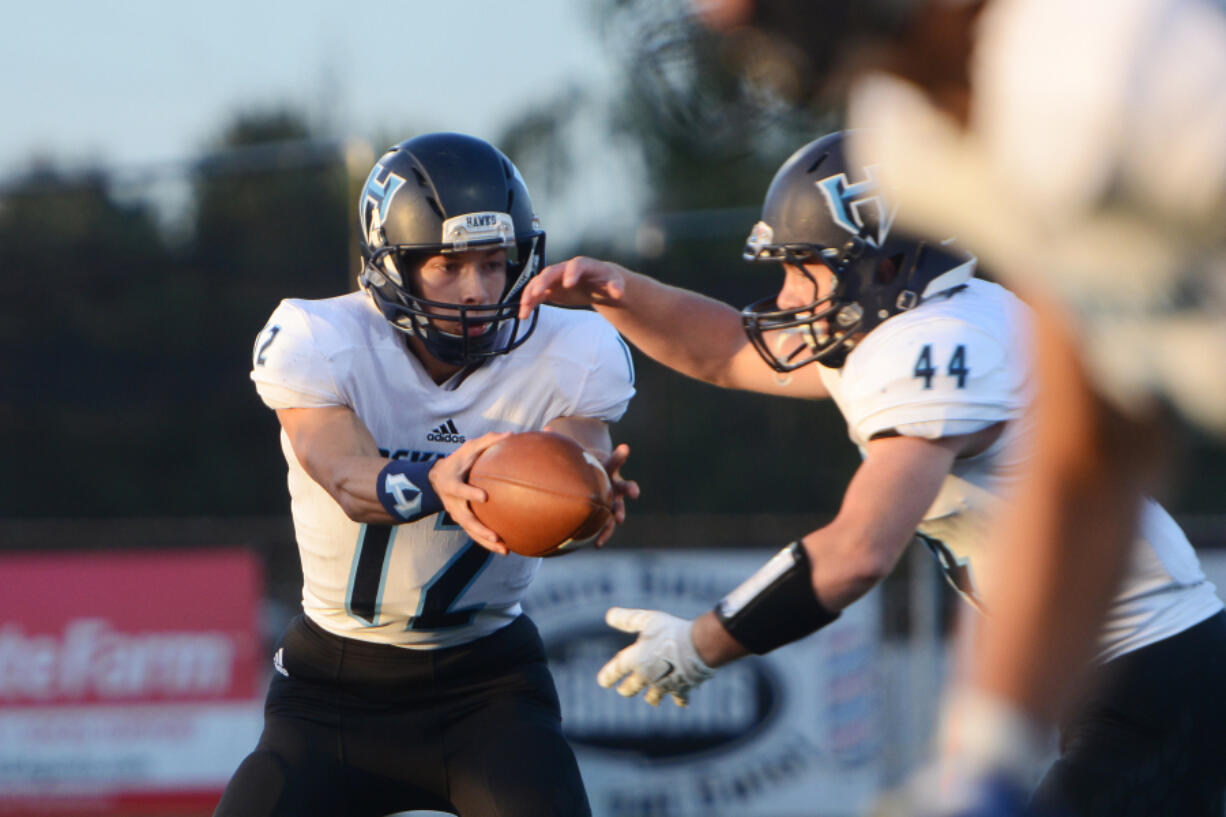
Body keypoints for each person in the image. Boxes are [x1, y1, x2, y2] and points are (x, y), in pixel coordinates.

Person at [517, 131, 1226, 815]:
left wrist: (701, 643)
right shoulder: (929, 320)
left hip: (1153, 671)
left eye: (806, 268)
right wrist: (623, 291)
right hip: (1124, 670)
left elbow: (857, 552)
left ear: (885, 265)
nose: (791, 296)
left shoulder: (934, 346)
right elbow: (731, 349)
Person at [679, 2, 1226, 814]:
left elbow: (860, 547)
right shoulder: (914, 144)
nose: (714, 14)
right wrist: (990, 757)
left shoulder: (1129, 57)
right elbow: (1089, 450)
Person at [214, 132, 638, 817]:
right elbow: (346, 473)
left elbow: (573, 452)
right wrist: (437, 479)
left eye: (495, 263)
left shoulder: (569, 348)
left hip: (488, 687)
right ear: (393, 266)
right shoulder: (321, 339)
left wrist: (586, 490)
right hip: (332, 687)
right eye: (449, 264)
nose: (477, 290)